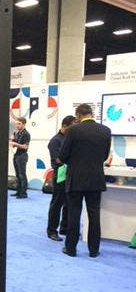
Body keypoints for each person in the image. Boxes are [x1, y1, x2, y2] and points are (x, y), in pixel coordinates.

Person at [59, 104, 111, 258]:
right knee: (94, 215)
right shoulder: (105, 130)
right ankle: (94, 250)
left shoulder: (72, 130)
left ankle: (71, 249)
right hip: (96, 178)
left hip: (76, 178)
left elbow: (63, 156)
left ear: (78, 115)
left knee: (74, 213)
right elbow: (104, 156)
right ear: (91, 114)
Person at [46, 115, 76, 241]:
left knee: (69, 203)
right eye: (72, 127)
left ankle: (64, 227)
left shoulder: (70, 139)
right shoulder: (55, 141)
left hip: (71, 175)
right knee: (57, 203)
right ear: (64, 126)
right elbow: (57, 160)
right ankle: (52, 230)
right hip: (60, 175)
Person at [10, 117, 31, 199]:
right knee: (17, 175)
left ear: (24, 124)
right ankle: (18, 192)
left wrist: (15, 144)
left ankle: (23, 193)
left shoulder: (26, 134)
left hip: (22, 156)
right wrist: (12, 139)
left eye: (19, 124)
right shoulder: (17, 133)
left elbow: (25, 147)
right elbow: (13, 144)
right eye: (16, 124)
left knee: (22, 175)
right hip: (16, 155)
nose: (17, 125)